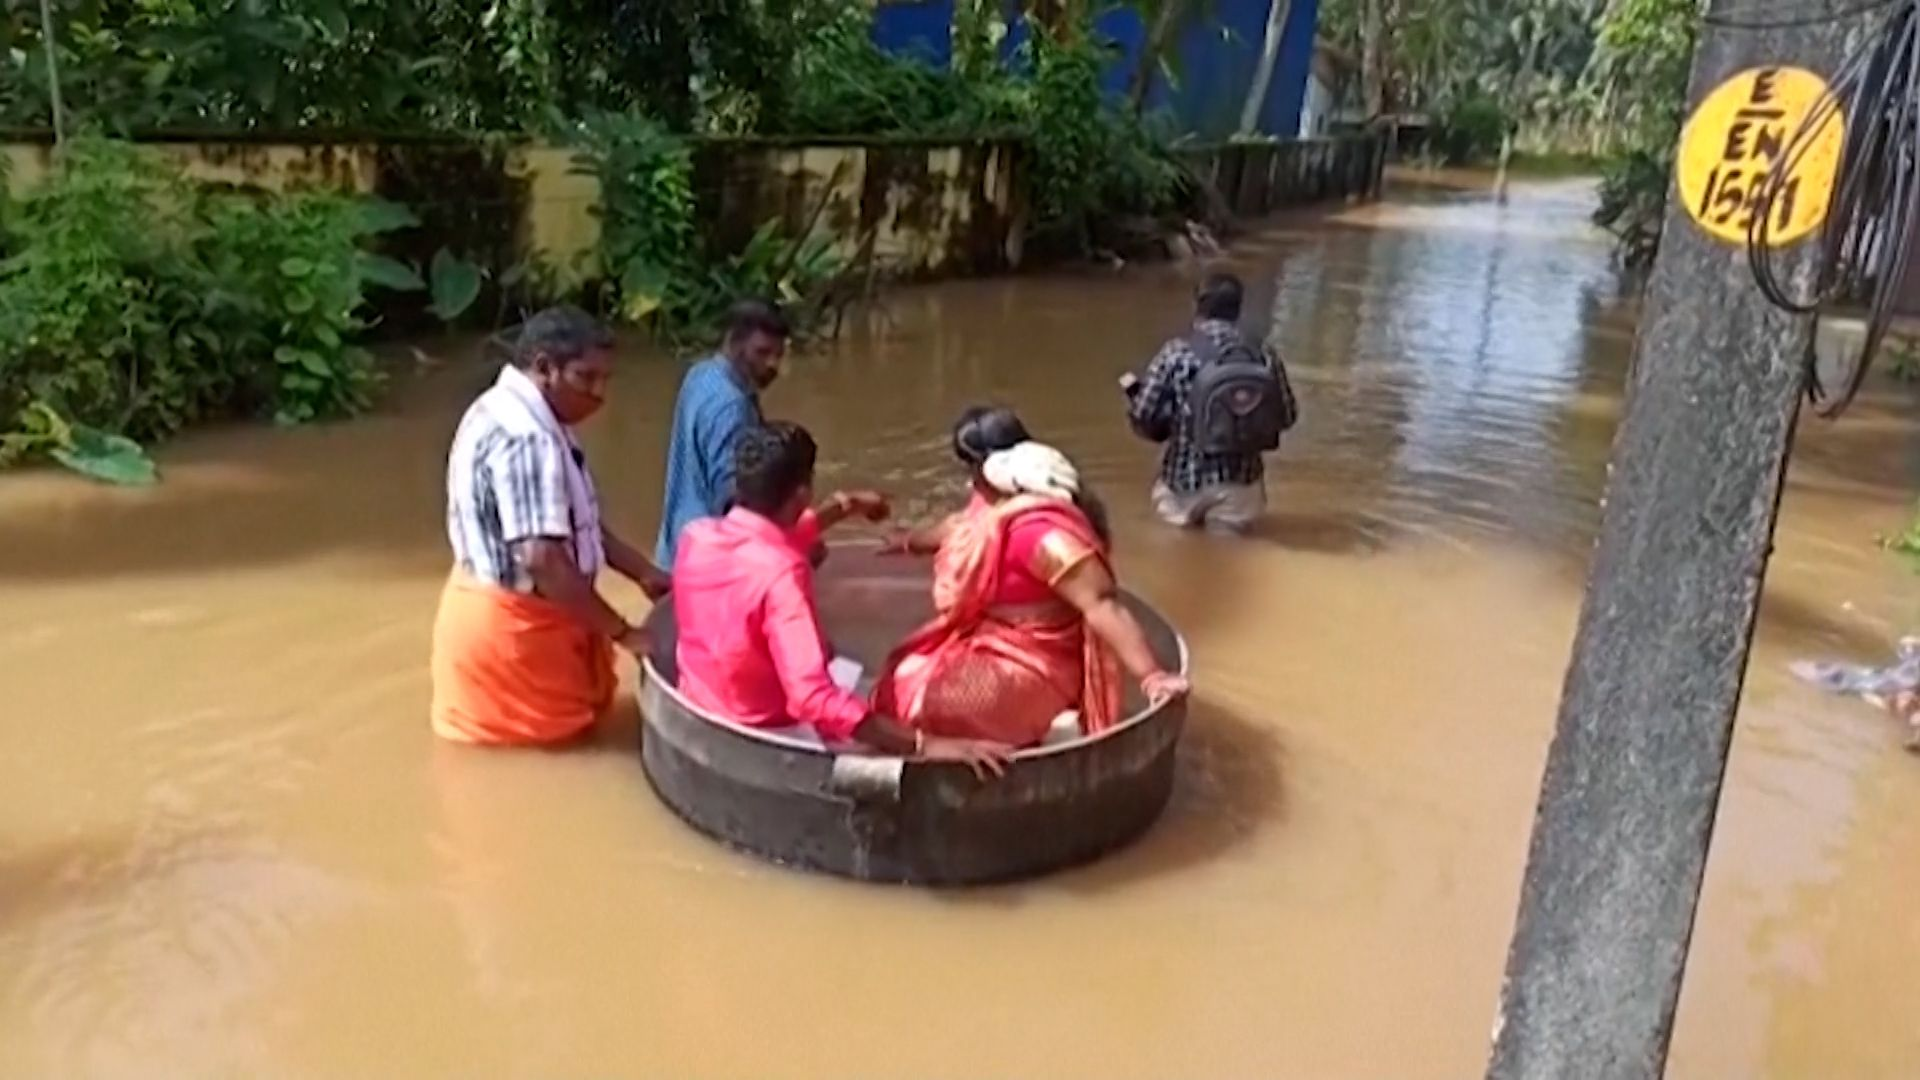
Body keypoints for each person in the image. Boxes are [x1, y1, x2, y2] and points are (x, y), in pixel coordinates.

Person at [672, 421, 1013, 777]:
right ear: (802, 494)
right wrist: (925, 745)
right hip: (766, 735)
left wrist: (846, 506)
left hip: (701, 709)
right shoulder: (782, 572)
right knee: (888, 707)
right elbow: (812, 699)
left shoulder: (696, 537)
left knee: (844, 676)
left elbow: (775, 536)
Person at [875, 407, 1188, 749]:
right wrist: (908, 542)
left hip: (1040, 658)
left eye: (971, 468)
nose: (969, 481)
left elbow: (1102, 604)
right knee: (903, 676)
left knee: (930, 707)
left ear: (990, 469)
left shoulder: (1042, 534)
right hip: (992, 639)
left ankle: (1006, 747)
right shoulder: (995, 506)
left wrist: (1152, 677)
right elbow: (958, 529)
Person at [431, 306, 671, 747]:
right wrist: (623, 632)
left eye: (605, 380)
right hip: (517, 631)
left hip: (498, 612)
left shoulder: (508, 409)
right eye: (586, 378)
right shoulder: (529, 436)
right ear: (544, 367)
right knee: (554, 754)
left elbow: (575, 522)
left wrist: (641, 571)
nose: (599, 394)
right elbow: (544, 559)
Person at [1123, 272, 1296, 534]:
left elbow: (1144, 414)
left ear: (1197, 307)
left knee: (1173, 560)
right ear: (1238, 309)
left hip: (1182, 484)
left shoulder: (1176, 353)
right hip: (1241, 485)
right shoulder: (1264, 355)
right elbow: (1287, 416)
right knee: (1230, 561)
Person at [655, 299, 791, 567]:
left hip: (676, 546)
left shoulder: (701, 375)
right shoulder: (732, 405)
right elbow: (733, 498)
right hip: (708, 559)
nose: (773, 364)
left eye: (778, 354)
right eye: (762, 353)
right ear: (734, 343)